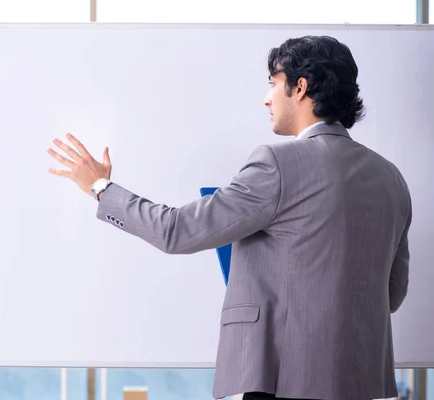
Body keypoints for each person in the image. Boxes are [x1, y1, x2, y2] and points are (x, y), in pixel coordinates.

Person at [46, 35, 411, 400]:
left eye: (273, 84)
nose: (266, 98)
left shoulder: (278, 164)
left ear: (300, 88)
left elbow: (177, 231)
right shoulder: (391, 179)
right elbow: (390, 295)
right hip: (366, 385)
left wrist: (99, 187)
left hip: (281, 381)